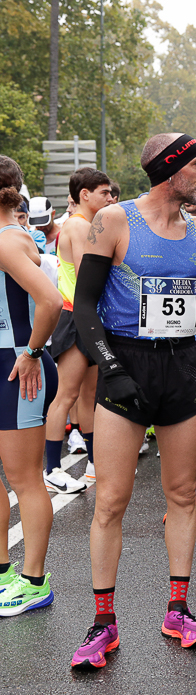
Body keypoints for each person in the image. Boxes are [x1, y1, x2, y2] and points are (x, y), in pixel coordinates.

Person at [69, 132, 196, 669]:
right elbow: (85, 306)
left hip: (183, 370)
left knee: (183, 496)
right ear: (172, 171)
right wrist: (110, 369)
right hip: (127, 366)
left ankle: (178, 611)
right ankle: (103, 624)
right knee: (111, 501)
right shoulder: (114, 221)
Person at [0, 155, 63, 616]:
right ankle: (4, 572)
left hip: (19, 367)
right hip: (6, 363)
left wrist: (33, 352)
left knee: (24, 478)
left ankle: (34, 581)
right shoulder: (16, 236)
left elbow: (50, 301)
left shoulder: (7, 240)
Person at [42, 168, 113, 494]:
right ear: (85, 194)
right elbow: (91, 274)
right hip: (75, 317)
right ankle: (52, 469)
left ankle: (95, 463)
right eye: (104, 193)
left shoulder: (81, 224)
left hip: (85, 316)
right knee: (66, 395)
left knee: (88, 394)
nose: (110, 199)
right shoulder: (81, 225)